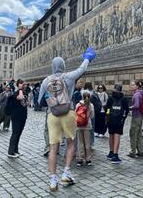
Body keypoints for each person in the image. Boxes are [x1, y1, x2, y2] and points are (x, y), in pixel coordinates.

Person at [38, 47, 96, 192]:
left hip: (53, 116)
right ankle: (66, 173)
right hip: (68, 113)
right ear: (63, 66)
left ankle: (52, 180)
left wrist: (51, 102)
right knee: (71, 144)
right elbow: (82, 68)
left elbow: (39, 101)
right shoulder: (68, 77)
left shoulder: (46, 81)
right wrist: (88, 57)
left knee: (53, 148)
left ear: (52, 67)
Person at [106, 84, 129, 164]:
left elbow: (107, 109)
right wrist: (123, 118)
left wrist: (107, 118)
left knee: (111, 135)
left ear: (114, 89)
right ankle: (115, 156)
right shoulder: (124, 99)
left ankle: (111, 153)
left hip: (110, 120)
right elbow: (126, 110)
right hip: (119, 121)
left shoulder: (110, 98)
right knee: (117, 136)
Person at [7, 79, 29, 158]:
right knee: (15, 133)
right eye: (23, 84)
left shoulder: (25, 93)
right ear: (19, 85)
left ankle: (15, 150)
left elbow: (26, 102)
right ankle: (10, 152)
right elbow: (20, 98)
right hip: (16, 116)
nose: (25, 86)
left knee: (19, 134)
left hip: (23, 116)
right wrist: (20, 89)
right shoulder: (16, 93)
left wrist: (27, 102)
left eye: (25, 84)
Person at [75, 90, 94, 166]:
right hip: (87, 125)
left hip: (79, 126)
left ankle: (80, 159)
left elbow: (75, 115)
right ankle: (88, 159)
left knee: (80, 143)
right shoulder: (91, 105)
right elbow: (92, 116)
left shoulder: (78, 104)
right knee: (87, 142)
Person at [128, 80, 143, 158]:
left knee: (133, 133)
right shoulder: (140, 93)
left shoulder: (137, 95)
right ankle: (140, 151)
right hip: (140, 116)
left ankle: (132, 152)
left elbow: (137, 105)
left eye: (133, 85)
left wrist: (130, 107)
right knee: (138, 134)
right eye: (131, 85)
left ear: (137, 86)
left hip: (136, 116)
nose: (132, 86)